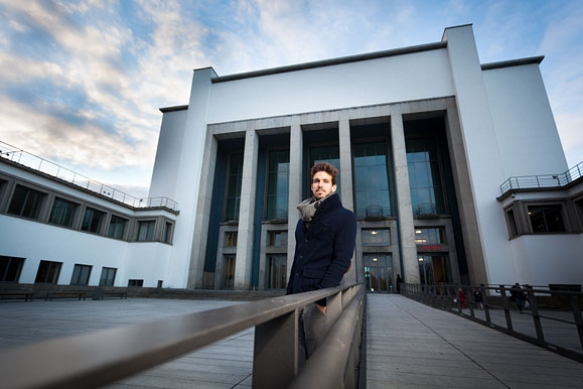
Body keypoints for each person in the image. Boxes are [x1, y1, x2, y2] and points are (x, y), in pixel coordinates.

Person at [286, 162, 357, 368]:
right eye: (316, 181)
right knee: (295, 353)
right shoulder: (302, 220)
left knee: (318, 357)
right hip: (295, 296)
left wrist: (322, 299)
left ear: (333, 187)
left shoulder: (345, 217)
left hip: (319, 297)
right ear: (311, 186)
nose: (320, 185)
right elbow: (298, 258)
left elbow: (342, 259)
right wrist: (288, 293)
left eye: (325, 181)